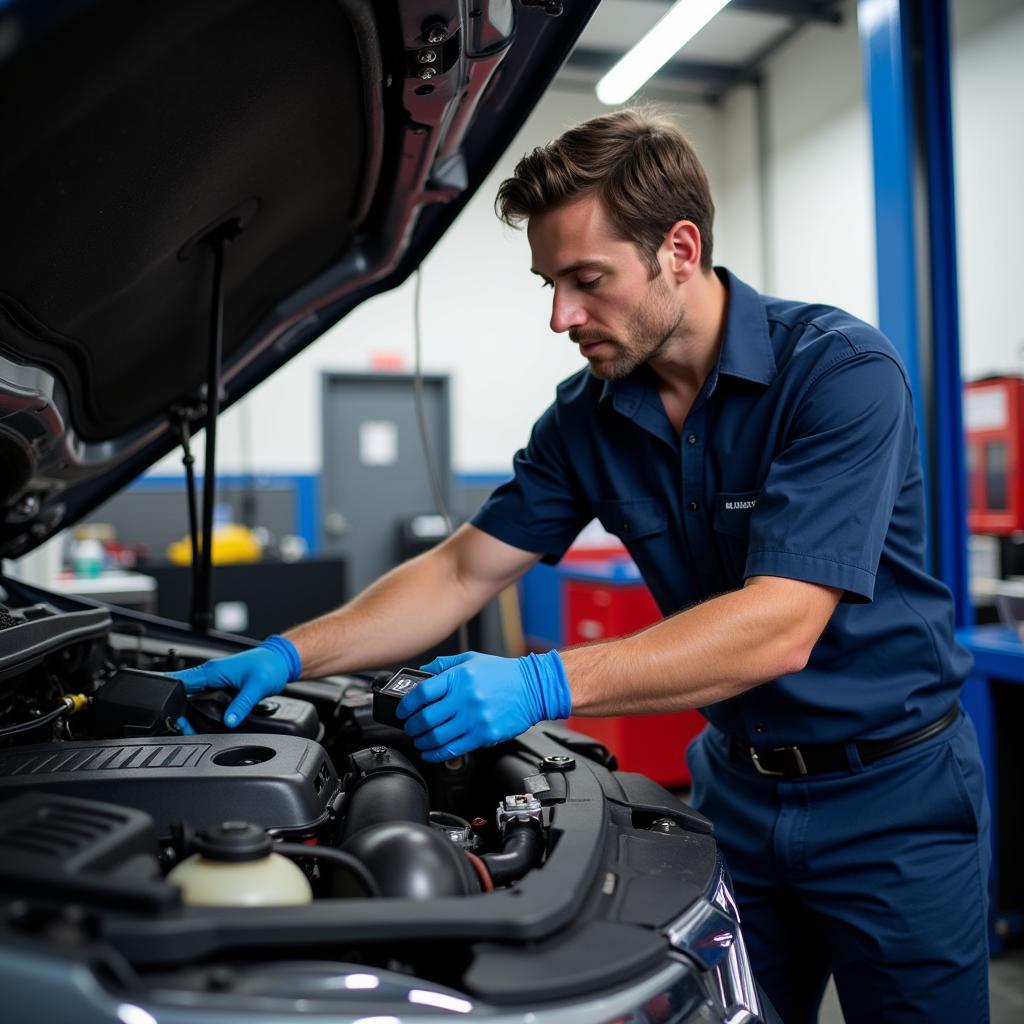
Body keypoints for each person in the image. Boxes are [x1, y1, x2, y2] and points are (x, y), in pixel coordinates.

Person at [172, 109, 990, 1023]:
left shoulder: (839, 373)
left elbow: (781, 624)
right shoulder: (587, 418)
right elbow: (457, 574)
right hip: (736, 796)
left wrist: (540, 683)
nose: (562, 316)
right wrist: (289, 655)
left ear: (679, 248)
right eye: (549, 283)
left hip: (892, 800)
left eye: (587, 281)